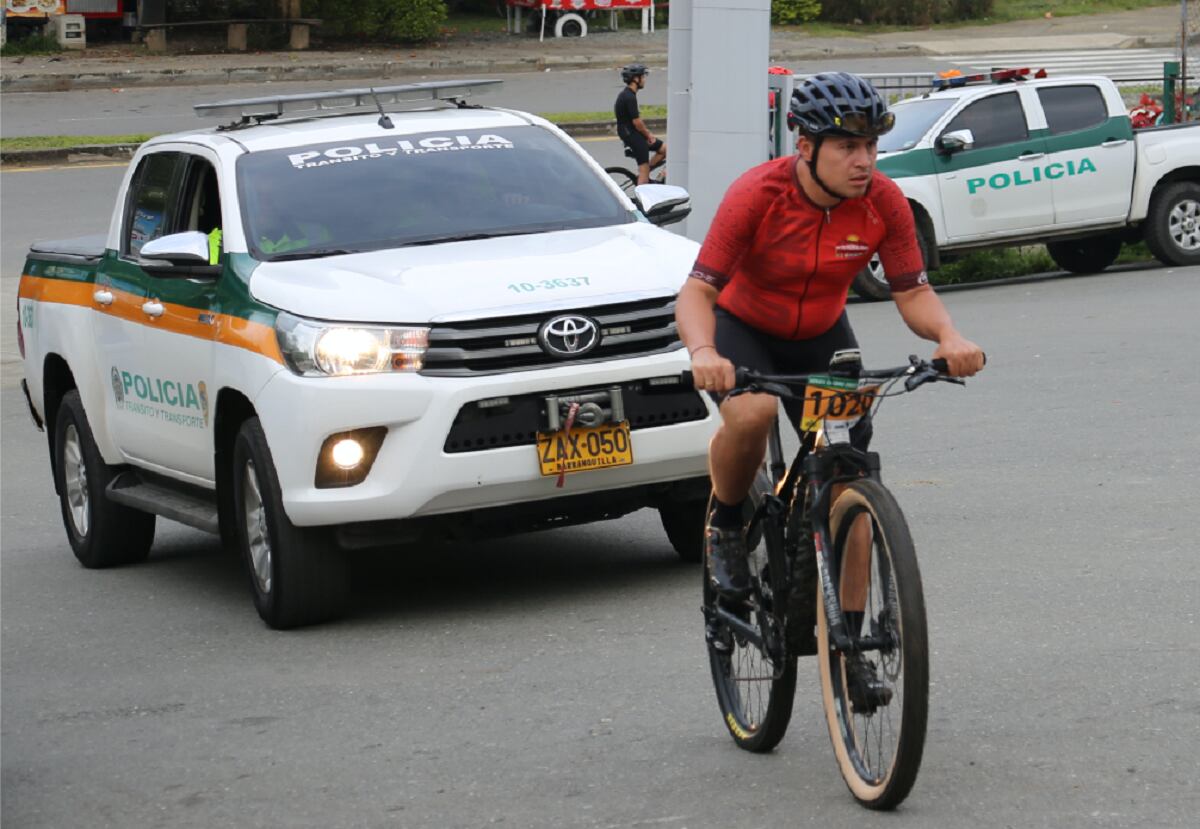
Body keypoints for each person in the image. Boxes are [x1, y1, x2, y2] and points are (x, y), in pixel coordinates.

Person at [675, 72, 986, 604]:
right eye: (847, 147)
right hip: (743, 328)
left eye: (870, 146)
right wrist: (704, 352)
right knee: (752, 415)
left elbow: (912, 292)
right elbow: (698, 292)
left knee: (848, 478)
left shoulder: (883, 201)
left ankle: (852, 646)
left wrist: (948, 336)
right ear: (806, 147)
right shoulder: (757, 194)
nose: (864, 160)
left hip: (821, 335)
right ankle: (726, 525)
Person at [615, 63, 666, 185]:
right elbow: (637, 122)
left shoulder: (628, 94)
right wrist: (648, 135)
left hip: (632, 133)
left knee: (665, 149)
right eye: (642, 77)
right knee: (644, 170)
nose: (644, 80)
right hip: (632, 135)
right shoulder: (629, 97)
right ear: (635, 79)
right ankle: (640, 199)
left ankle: (644, 174)